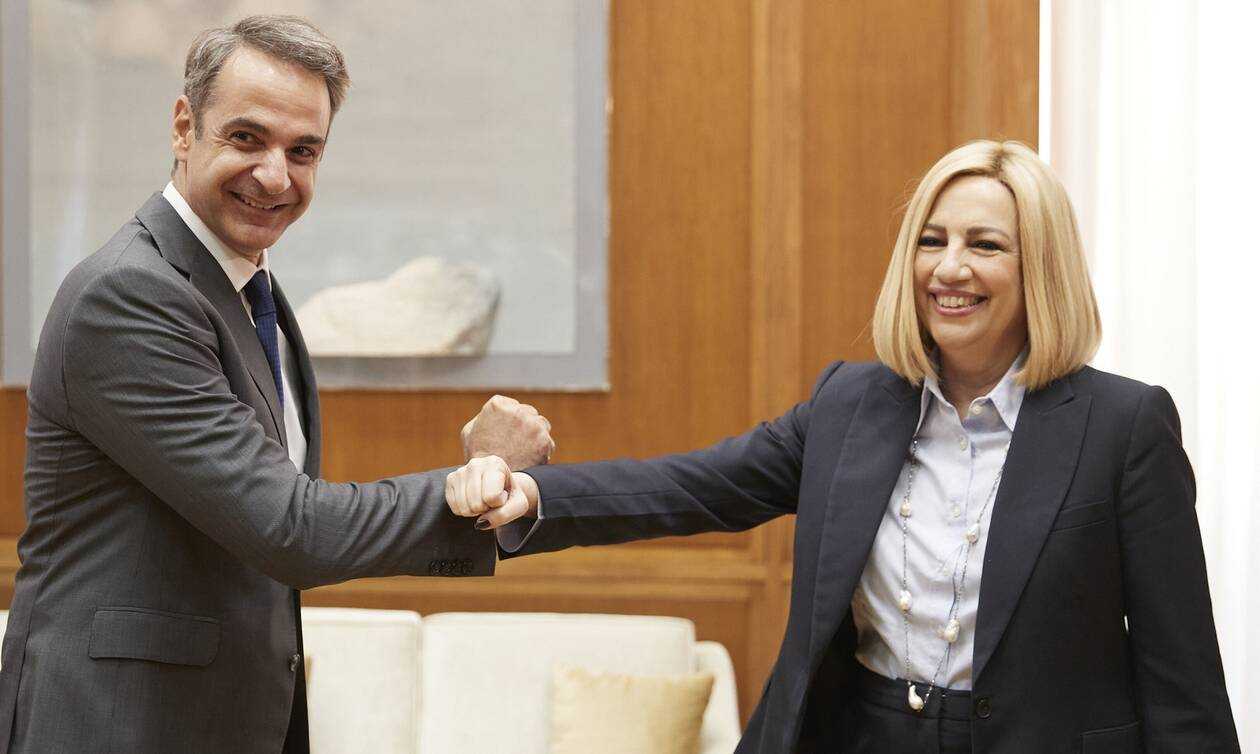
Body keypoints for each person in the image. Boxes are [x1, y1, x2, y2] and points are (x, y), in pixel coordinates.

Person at [447, 140, 1240, 753]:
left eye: (985, 245)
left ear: (1042, 267)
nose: (950, 268)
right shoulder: (852, 404)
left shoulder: (1124, 426)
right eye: (932, 241)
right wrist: (530, 494)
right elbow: (695, 486)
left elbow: (1183, 682)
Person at [0, 15, 552, 754]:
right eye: (246, 138)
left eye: (303, 151)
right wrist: (479, 481)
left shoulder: (246, 289)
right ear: (184, 126)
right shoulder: (129, 294)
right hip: (115, 725)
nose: (274, 176)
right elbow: (290, 529)